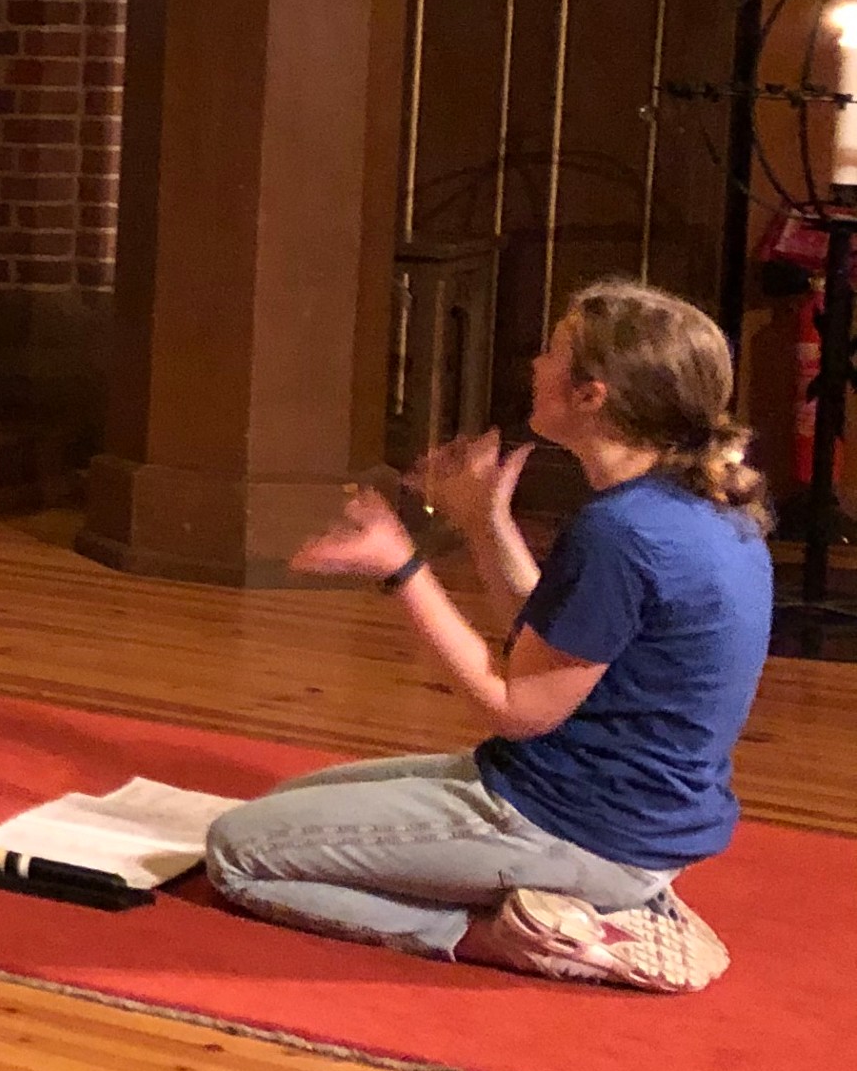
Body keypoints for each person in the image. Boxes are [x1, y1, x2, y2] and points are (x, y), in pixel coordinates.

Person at [203, 279, 774, 993]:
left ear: (591, 393)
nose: (534, 365)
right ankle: (590, 899)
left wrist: (401, 566)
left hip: (576, 826)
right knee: (282, 807)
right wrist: (481, 519)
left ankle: (508, 938)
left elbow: (515, 704)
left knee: (238, 850)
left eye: (551, 351)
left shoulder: (623, 531)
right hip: (601, 811)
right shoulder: (685, 508)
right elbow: (556, 638)